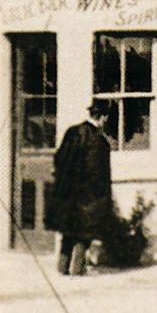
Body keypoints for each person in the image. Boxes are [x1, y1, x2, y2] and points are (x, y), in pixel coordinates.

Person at [46, 102, 113, 275]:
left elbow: (59, 159)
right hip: (87, 194)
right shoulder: (98, 140)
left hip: (67, 193)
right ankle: (78, 268)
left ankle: (62, 267)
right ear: (103, 118)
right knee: (84, 232)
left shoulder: (72, 132)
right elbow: (96, 172)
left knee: (68, 230)